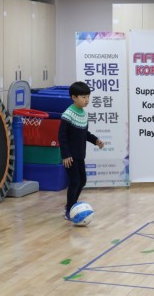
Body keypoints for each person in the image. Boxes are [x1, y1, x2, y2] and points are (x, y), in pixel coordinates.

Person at [58, 81, 104, 220]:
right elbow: (62, 136)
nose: (87, 100)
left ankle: (72, 205)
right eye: (83, 97)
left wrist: (95, 140)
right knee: (75, 181)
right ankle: (70, 209)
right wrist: (66, 155)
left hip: (79, 155)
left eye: (88, 97)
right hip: (70, 157)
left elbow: (85, 134)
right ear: (74, 97)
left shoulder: (84, 114)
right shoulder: (68, 114)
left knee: (82, 180)